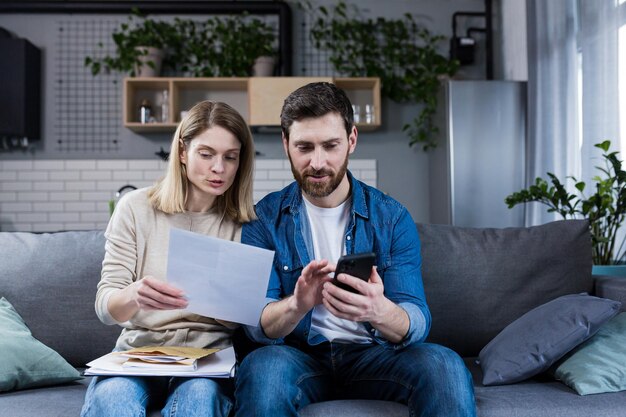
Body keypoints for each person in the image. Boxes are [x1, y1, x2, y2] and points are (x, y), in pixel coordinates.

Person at [234, 82, 476, 417]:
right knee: (263, 369)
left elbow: (416, 319)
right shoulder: (264, 220)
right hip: (298, 356)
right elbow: (257, 326)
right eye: (304, 147)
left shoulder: (391, 218)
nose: (318, 162)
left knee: (444, 364)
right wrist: (297, 305)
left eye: (330, 146)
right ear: (286, 144)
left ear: (351, 140)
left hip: (374, 354)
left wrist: (378, 310)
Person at [81, 100, 256, 417]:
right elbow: (105, 307)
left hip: (208, 359)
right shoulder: (135, 208)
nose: (219, 168)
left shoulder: (244, 223)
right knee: (113, 401)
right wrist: (134, 294)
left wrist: (220, 301)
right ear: (182, 153)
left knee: (199, 403)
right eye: (206, 154)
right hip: (138, 353)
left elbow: (245, 322)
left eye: (230, 157)